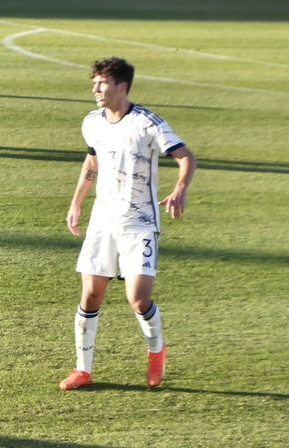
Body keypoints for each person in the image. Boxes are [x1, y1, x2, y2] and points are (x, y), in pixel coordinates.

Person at [59, 57, 196, 391]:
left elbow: (186, 156)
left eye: (102, 83)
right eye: (94, 83)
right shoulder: (92, 122)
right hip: (102, 221)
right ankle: (82, 369)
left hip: (139, 224)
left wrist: (179, 190)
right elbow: (92, 161)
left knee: (138, 299)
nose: (96, 89)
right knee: (91, 295)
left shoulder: (147, 123)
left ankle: (156, 352)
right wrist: (77, 202)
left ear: (122, 87)